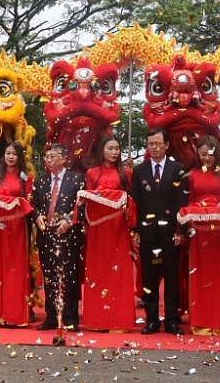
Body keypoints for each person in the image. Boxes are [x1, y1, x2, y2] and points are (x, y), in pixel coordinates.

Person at [130, 128, 188, 335]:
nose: (154, 147)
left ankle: (172, 319)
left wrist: (181, 231)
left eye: (157, 143)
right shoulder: (139, 171)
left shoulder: (178, 169)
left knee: (172, 277)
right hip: (147, 233)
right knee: (149, 279)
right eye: (150, 144)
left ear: (166, 145)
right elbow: (134, 202)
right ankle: (152, 320)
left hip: (171, 233)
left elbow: (183, 203)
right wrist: (135, 231)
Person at [182, 135, 220, 335]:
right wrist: (191, 213)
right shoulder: (192, 175)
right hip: (199, 230)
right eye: (202, 154)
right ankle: (201, 321)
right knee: (201, 274)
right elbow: (188, 202)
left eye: (210, 153)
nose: (206, 158)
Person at [79, 135, 136, 332]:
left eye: (117, 149)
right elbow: (88, 199)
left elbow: (131, 199)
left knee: (118, 272)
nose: (114, 152)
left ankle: (118, 319)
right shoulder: (92, 173)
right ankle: (97, 320)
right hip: (98, 229)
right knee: (98, 270)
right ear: (102, 150)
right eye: (110, 148)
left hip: (118, 228)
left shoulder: (126, 172)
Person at [31, 143, 85, 331]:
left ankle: (70, 317)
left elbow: (82, 205)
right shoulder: (41, 180)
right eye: (47, 157)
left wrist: (69, 222)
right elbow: (33, 204)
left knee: (69, 276)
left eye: (53, 156)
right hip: (47, 233)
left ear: (64, 158)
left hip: (68, 233)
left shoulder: (77, 179)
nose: (49, 160)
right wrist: (37, 216)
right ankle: (52, 316)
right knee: (50, 276)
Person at [0, 141, 33, 327]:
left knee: (16, 267)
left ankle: (16, 314)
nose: (10, 157)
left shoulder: (25, 178)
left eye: (14, 154)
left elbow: (28, 202)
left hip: (18, 225)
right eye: (8, 153)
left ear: (20, 157)